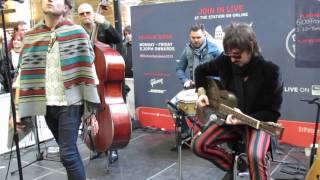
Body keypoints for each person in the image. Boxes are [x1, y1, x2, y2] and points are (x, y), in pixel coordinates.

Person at [17, 0, 100, 179]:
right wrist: (16, 109)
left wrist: (90, 109)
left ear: (65, 6)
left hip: (71, 101)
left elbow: (88, 67)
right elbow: (22, 74)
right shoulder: (31, 36)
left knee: (67, 154)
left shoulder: (77, 32)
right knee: (68, 153)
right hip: (46, 104)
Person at [192, 22, 283, 180]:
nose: (233, 59)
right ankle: (234, 165)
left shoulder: (270, 71)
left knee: (255, 157)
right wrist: (201, 93)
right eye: (229, 55)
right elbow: (200, 71)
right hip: (230, 119)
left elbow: (272, 113)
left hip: (257, 122)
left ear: (251, 47)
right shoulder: (225, 61)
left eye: (237, 55)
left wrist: (242, 118)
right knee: (199, 145)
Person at [77, 2, 122, 163]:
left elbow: (118, 39)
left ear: (92, 13)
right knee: (90, 115)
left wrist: (104, 22)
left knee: (110, 116)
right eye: (81, 14)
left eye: (87, 12)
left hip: (105, 79)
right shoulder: (79, 33)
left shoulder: (102, 29)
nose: (85, 16)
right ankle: (96, 145)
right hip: (89, 81)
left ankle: (112, 147)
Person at [173, 23, 222, 144]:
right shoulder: (187, 50)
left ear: (204, 35)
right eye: (193, 37)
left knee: (211, 113)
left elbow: (225, 71)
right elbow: (179, 68)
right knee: (172, 105)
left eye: (198, 37)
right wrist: (186, 81)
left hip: (211, 89)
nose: (195, 40)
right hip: (193, 88)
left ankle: (212, 137)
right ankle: (186, 134)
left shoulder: (216, 49)